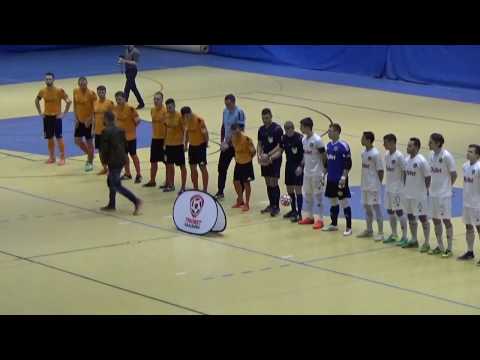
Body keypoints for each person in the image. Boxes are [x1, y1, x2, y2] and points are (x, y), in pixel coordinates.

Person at [99, 111, 142, 215]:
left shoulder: (105, 131)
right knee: (110, 181)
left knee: (116, 184)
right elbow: (125, 145)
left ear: (106, 119)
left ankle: (136, 201)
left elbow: (104, 149)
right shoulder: (120, 130)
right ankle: (112, 204)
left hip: (113, 160)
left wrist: (104, 163)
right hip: (121, 158)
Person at [427, 133, 457, 257]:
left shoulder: (447, 156)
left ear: (438, 143)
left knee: (446, 220)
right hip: (433, 193)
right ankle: (440, 246)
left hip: (444, 195)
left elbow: (454, 174)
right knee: (435, 219)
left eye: (431, 142)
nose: (428, 143)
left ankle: (449, 248)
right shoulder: (430, 155)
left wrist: (447, 187)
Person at [401, 137, 431, 252]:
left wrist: (425, 190)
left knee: (423, 217)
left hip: (419, 195)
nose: (407, 147)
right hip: (408, 194)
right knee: (410, 216)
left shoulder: (422, 161)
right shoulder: (406, 159)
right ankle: (414, 240)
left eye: (410, 146)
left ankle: (427, 242)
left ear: (416, 147)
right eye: (407, 145)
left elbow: (428, 177)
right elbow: (405, 174)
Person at [270, 121, 304, 223]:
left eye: (290, 128)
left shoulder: (300, 138)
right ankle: (293, 210)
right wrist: (271, 158)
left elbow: (305, 155)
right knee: (289, 189)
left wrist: (301, 167)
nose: (288, 130)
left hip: (298, 166)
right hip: (289, 165)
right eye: (286, 129)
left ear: (293, 128)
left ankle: (300, 214)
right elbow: (280, 151)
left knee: (298, 190)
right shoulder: (283, 138)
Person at [35, 72, 72, 166]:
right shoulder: (42, 91)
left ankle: (63, 158)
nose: (48, 80)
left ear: (53, 80)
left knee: (59, 138)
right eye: (46, 79)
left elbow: (68, 101)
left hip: (56, 117)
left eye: (50, 79)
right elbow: (36, 100)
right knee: (49, 138)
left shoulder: (59, 91)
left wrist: (64, 113)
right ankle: (52, 157)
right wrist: (40, 112)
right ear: (45, 80)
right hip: (47, 117)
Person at [296, 117, 327, 230]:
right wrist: (301, 166)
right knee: (307, 195)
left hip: (317, 173)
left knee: (318, 196)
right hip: (307, 172)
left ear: (307, 127)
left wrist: (324, 171)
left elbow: (324, 156)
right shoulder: (304, 139)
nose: (300, 128)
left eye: (301, 126)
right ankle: (309, 217)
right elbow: (305, 155)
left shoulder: (317, 140)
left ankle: (320, 219)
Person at [322, 123, 353, 236]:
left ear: (337, 132)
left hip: (340, 180)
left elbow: (348, 164)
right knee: (333, 202)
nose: (328, 133)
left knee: (344, 202)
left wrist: (344, 177)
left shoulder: (343, 146)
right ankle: (334, 224)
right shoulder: (328, 146)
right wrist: (323, 175)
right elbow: (327, 164)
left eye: (330, 131)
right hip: (330, 179)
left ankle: (349, 227)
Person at [215, 94, 246, 200]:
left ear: (234, 102)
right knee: (221, 167)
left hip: (237, 145)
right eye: (226, 104)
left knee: (240, 168)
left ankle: (241, 192)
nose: (227, 106)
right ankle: (220, 191)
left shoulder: (239, 112)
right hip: (227, 144)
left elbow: (240, 129)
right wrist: (222, 141)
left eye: (228, 104)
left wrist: (229, 142)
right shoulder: (225, 111)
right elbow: (223, 126)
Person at [357, 131, 385, 241]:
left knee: (376, 208)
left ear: (368, 140)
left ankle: (381, 232)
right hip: (364, 185)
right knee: (367, 208)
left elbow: (381, 171)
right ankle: (369, 230)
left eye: (363, 138)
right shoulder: (363, 153)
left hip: (373, 186)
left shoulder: (375, 154)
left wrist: (377, 185)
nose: (361, 140)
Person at [382, 134, 408, 245]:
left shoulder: (399, 156)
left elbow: (405, 172)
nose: (384, 144)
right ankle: (394, 234)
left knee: (399, 211)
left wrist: (404, 187)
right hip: (388, 188)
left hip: (398, 189)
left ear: (392, 142)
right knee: (389, 211)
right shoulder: (387, 154)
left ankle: (405, 236)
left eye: (386, 142)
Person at [257, 108, 284, 217]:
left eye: (267, 118)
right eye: (263, 118)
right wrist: (259, 155)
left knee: (274, 182)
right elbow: (259, 143)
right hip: (264, 158)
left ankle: (276, 207)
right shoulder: (261, 129)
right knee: (268, 182)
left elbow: (279, 146)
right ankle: (271, 204)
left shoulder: (277, 129)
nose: (265, 120)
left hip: (274, 159)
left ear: (271, 116)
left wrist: (268, 155)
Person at [112, 91, 142, 183]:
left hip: (131, 137)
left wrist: (131, 129)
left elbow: (138, 120)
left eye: (120, 99)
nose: (118, 101)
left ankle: (139, 174)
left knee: (133, 155)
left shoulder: (130, 109)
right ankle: (127, 173)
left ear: (124, 99)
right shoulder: (115, 109)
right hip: (121, 138)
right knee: (124, 156)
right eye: (116, 99)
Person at [458, 144, 480, 263]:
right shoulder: (465, 166)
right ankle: (470, 251)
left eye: (471, 152)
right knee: (468, 226)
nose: (468, 153)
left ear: (477, 155)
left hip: (477, 204)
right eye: (467, 151)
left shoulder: (479, 168)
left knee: (479, 228)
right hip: (467, 203)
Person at [182, 106, 209, 192]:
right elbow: (187, 133)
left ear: (190, 113)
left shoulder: (199, 120)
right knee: (192, 168)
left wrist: (206, 143)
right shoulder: (185, 120)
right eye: (184, 117)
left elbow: (205, 133)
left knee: (202, 168)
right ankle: (195, 187)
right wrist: (186, 144)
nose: (186, 118)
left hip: (200, 146)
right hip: (192, 147)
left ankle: (205, 189)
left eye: (187, 116)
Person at [73, 77, 97, 172]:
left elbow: (95, 108)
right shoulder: (75, 91)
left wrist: (90, 119)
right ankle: (90, 154)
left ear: (87, 84)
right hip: (79, 121)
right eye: (81, 84)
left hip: (88, 122)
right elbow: (75, 105)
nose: (83, 86)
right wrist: (76, 118)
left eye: (84, 84)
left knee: (89, 143)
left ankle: (89, 162)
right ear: (78, 84)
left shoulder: (91, 94)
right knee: (77, 141)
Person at [143, 91, 167, 188]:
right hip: (155, 139)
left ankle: (168, 181)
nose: (156, 101)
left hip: (164, 140)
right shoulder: (152, 110)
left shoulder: (165, 112)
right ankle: (152, 181)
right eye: (155, 99)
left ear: (162, 100)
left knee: (167, 163)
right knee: (153, 161)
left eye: (158, 99)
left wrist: (166, 142)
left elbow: (168, 128)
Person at [231, 123, 256, 212]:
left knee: (246, 184)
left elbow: (253, 151)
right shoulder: (233, 138)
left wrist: (248, 158)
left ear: (239, 130)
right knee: (236, 182)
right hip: (238, 163)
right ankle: (240, 200)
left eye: (237, 131)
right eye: (234, 131)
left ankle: (247, 203)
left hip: (246, 164)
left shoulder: (247, 139)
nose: (236, 133)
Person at [164, 98, 187, 194]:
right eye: (167, 107)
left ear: (174, 106)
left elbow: (185, 130)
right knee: (169, 165)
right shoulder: (166, 115)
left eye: (170, 107)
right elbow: (166, 130)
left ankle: (183, 186)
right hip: (169, 144)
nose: (169, 109)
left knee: (182, 166)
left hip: (178, 145)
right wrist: (164, 143)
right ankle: (171, 184)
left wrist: (185, 144)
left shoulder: (179, 116)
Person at [92, 85, 114, 175]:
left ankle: (111, 168)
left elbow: (113, 117)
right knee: (100, 151)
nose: (101, 93)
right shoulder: (94, 103)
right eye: (99, 92)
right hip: (97, 131)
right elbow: (93, 117)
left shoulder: (109, 103)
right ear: (97, 93)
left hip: (107, 131)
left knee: (108, 151)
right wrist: (92, 130)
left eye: (102, 91)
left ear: (105, 92)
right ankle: (105, 168)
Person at [118, 45, 144, 110]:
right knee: (133, 88)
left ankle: (124, 103)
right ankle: (141, 103)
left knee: (127, 88)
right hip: (127, 71)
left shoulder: (136, 52)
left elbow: (135, 62)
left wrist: (124, 61)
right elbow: (125, 59)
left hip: (132, 71)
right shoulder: (126, 50)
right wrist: (121, 66)